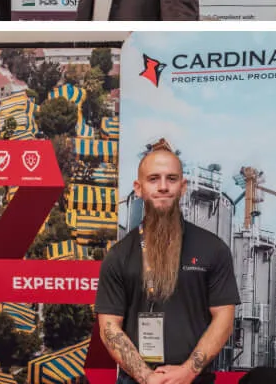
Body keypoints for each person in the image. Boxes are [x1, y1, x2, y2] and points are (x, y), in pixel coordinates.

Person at [97, 140, 237, 384]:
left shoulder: (214, 249)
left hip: (195, 380)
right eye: (153, 179)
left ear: (183, 187)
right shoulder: (118, 255)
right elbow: (109, 327)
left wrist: (187, 372)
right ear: (138, 188)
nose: (163, 187)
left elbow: (224, 318)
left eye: (171, 179)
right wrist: (146, 377)